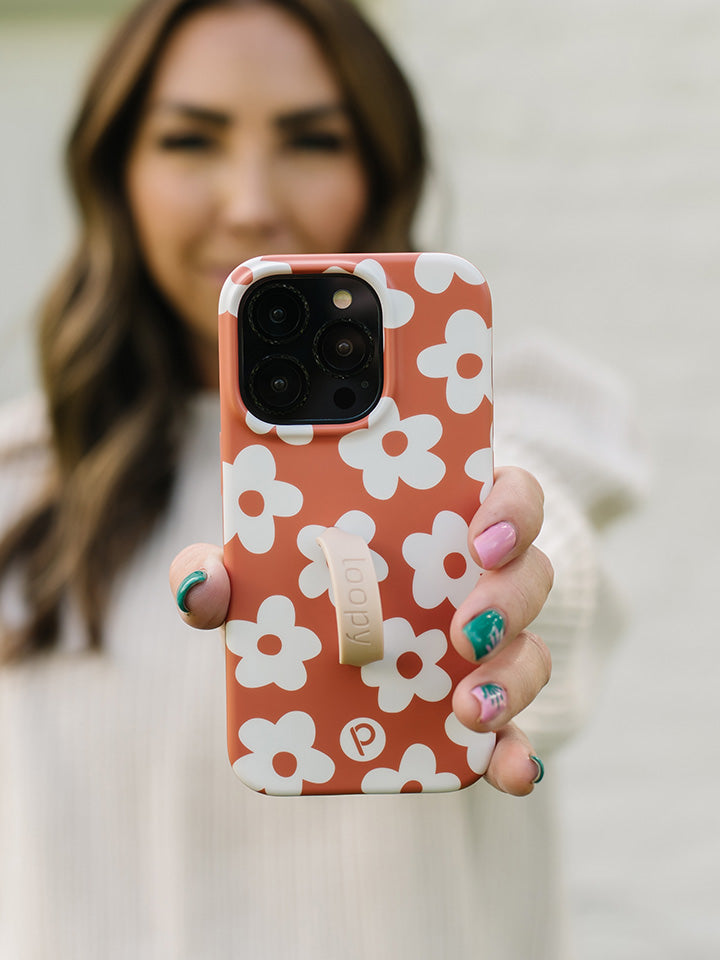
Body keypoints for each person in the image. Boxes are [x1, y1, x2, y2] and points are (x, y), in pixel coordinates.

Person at [0, 1, 639, 957]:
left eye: (312, 140)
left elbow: (552, 544)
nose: (252, 201)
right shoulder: (21, 486)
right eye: (190, 140)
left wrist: (523, 588)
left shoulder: (496, 433)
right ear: (117, 174)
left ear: (380, 165)